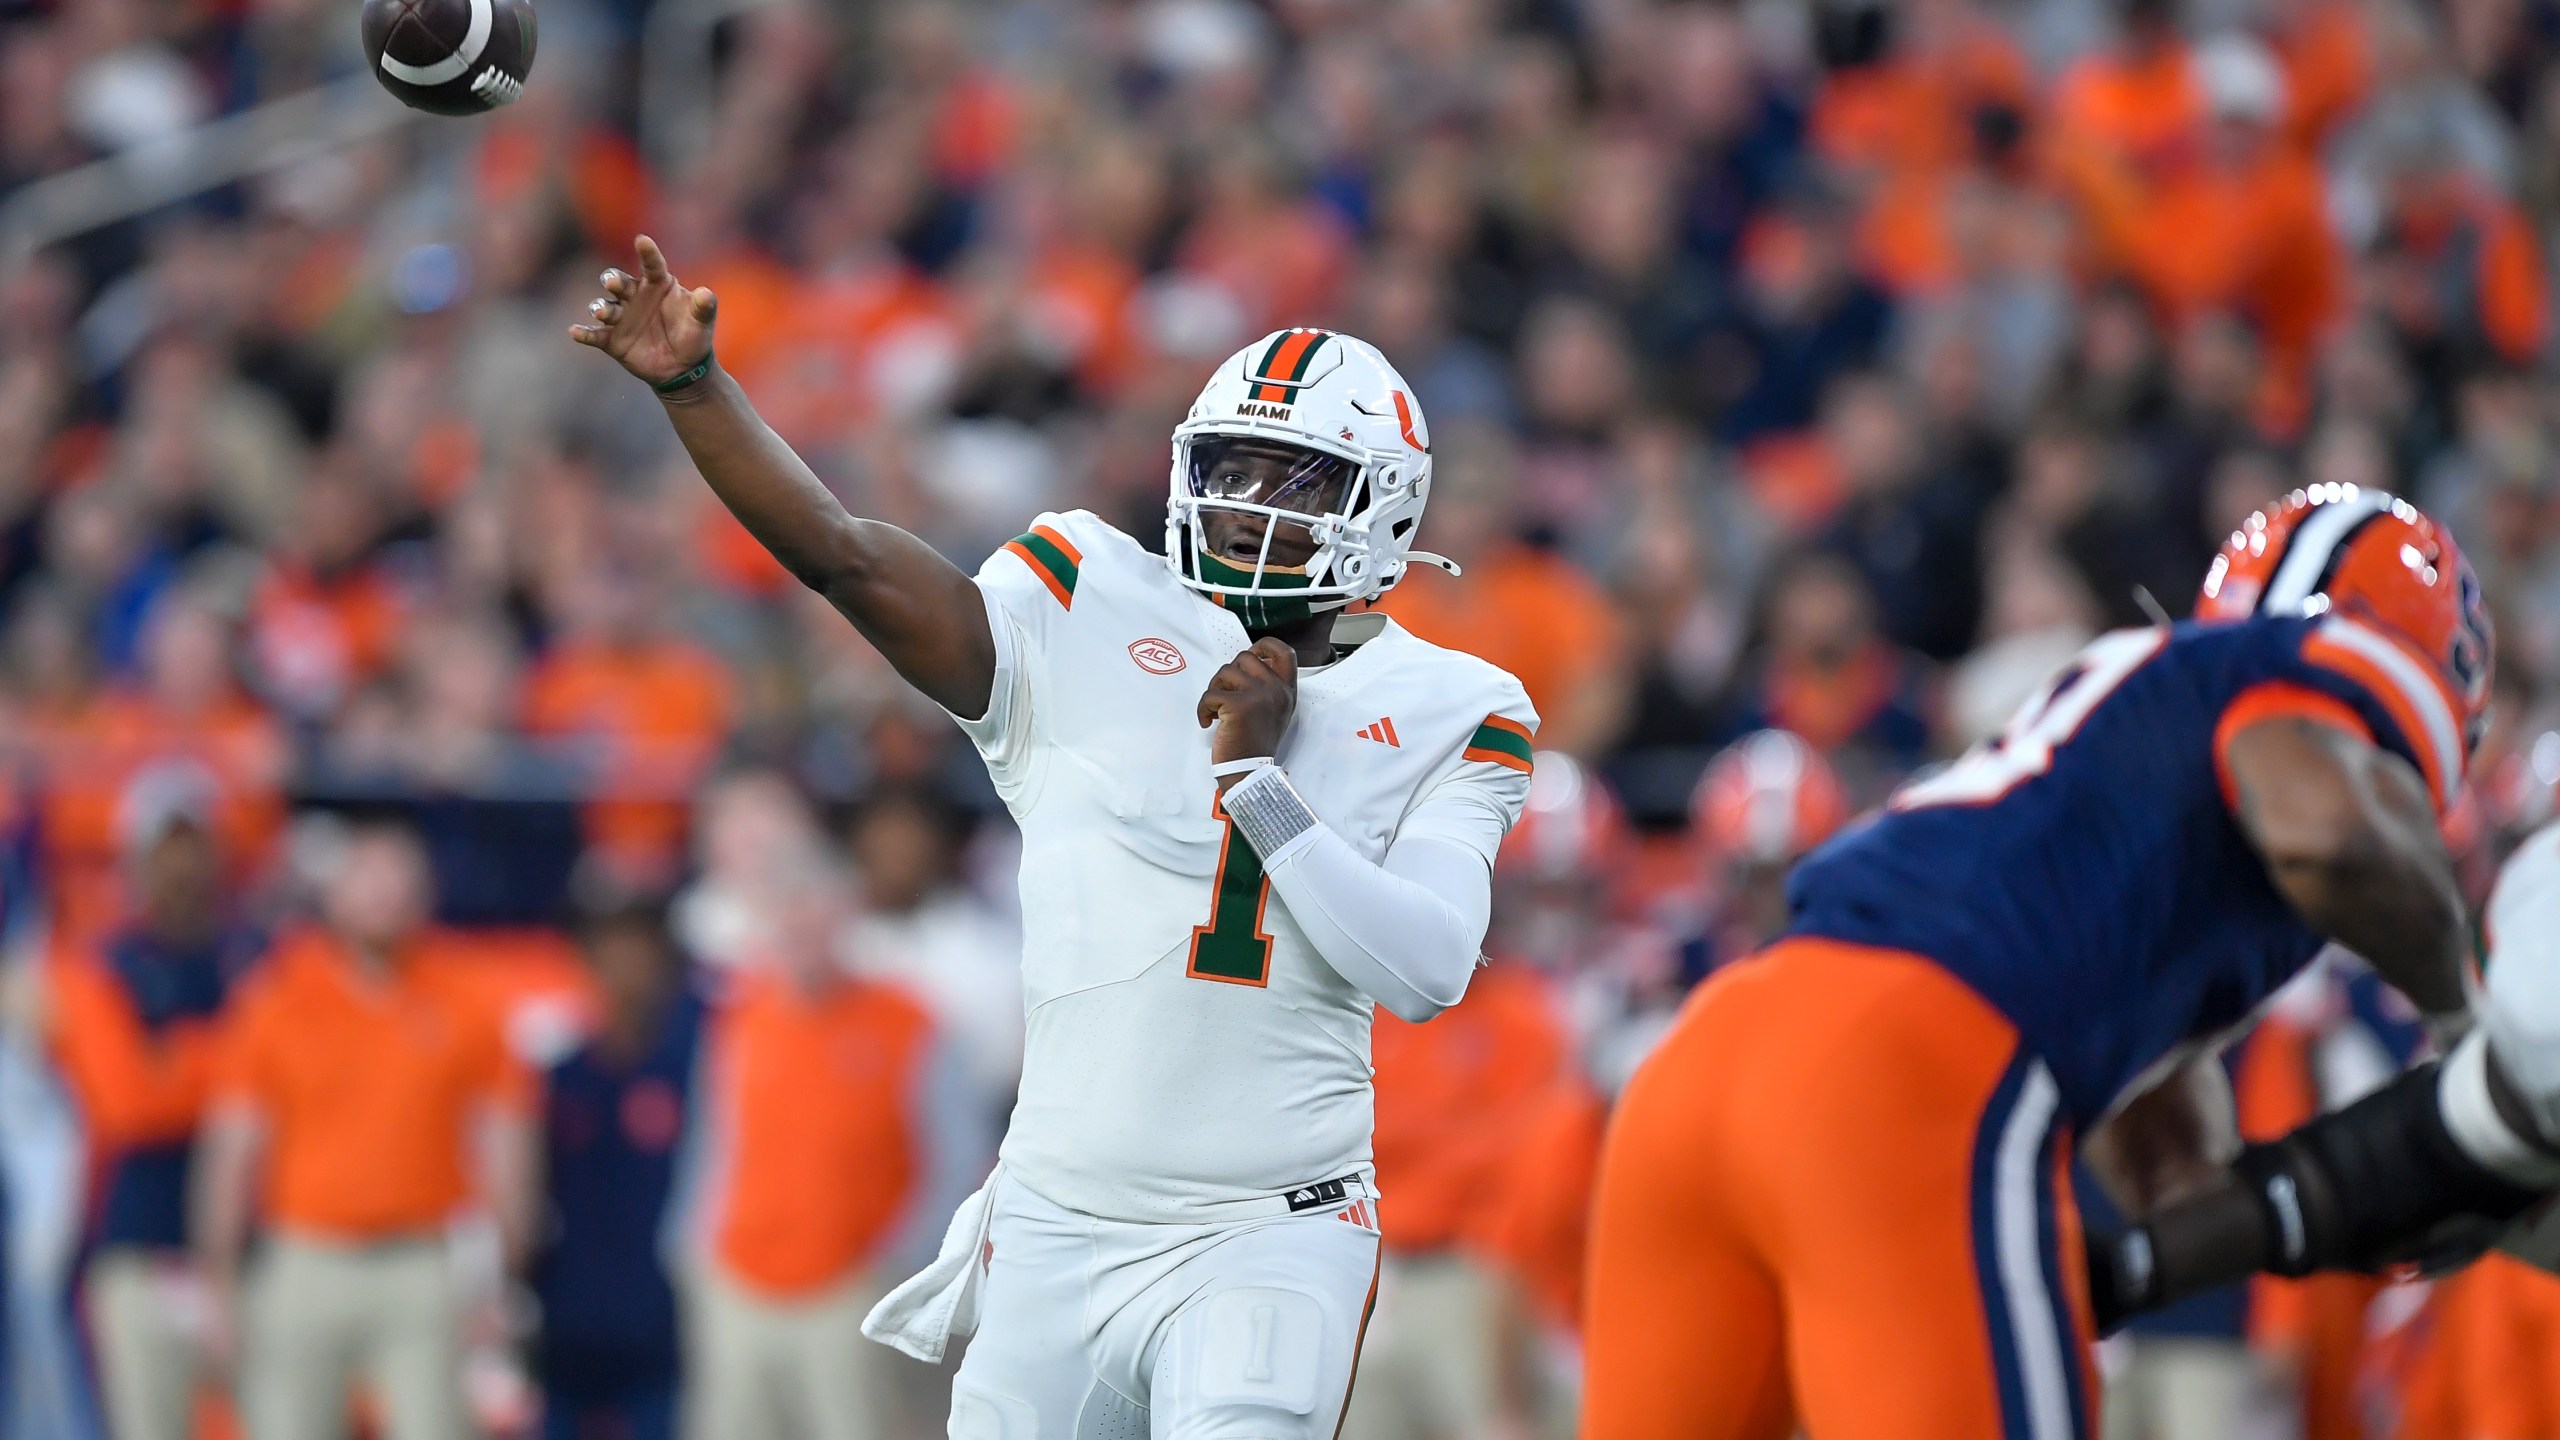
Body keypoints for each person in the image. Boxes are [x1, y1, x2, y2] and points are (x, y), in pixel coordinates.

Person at [570, 238, 1536, 1437]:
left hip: (1269, 1230)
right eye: (1230, 465)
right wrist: (693, 390)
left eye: (1290, 481)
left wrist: (1256, 784)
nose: (1244, 503)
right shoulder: (1084, 589)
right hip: (1057, 1221)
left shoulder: (1463, 705)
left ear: (1382, 506)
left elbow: (1430, 966)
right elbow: (844, 556)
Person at [1582, 485, 2490, 1440]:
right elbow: (2331, 832)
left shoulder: (2135, 743)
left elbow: (2162, 1162)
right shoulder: (2295, 670)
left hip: (1705, 1069)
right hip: (1897, 1073)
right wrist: (2466, 1030)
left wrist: (2317, 1205)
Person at [195, 817, 537, 1440]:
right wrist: (220, 1281)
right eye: (366, 872)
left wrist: (503, 1278)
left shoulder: (466, 996)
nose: (382, 890)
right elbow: (232, 1147)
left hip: (422, 1258)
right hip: (305, 1254)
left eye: (397, 873)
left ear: (426, 892)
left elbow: (507, 1143)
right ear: (334, 892)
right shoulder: (278, 998)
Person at [677, 856, 974, 1440]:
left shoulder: (908, 1023)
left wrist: (899, 1266)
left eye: (814, 914)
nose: (800, 931)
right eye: (786, 916)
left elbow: (957, 1160)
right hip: (737, 1284)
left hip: (851, 1290)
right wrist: (693, 1251)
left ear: (846, 919)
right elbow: (711, 1147)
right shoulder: (739, 1018)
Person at [42, 768, 261, 1440]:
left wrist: (182, 1063)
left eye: (195, 846)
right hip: (136, 1245)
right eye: (167, 848)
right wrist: (234, 1061)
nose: (184, 867)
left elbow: (298, 1082)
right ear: (134, 858)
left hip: (256, 1246)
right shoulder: (97, 965)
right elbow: (128, 1102)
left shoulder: (257, 957)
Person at [531, 898, 701, 1440]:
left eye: (642, 956)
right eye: (612, 955)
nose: (628, 971)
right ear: (588, 965)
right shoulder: (559, 1077)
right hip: (569, 1314)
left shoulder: (700, 1075)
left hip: (666, 1319)